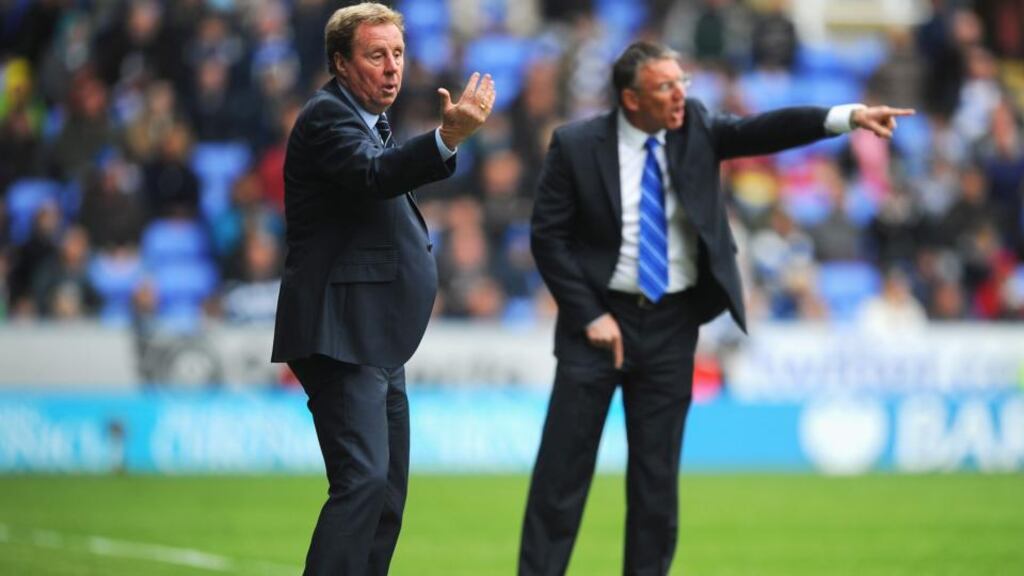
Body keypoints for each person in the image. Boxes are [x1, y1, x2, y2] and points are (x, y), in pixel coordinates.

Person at [519, 40, 912, 576]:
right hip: (597, 326)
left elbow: (763, 131)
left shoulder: (695, 126)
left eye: (683, 81)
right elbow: (549, 239)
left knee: (656, 486)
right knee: (560, 480)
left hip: (670, 325)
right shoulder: (576, 144)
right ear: (632, 99)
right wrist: (590, 314)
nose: (681, 93)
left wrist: (847, 117)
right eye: (666, 85)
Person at [270, 3, 495, 575]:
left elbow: (382, 172)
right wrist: (447, 138)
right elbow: (375, 175)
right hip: (340, 330)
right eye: (376, 55)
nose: (393, 67)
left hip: (373, 335)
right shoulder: (327, 118)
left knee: (386, 494)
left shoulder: (368, 121)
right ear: (341, 63)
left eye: (398, 53)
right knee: (363, 482)